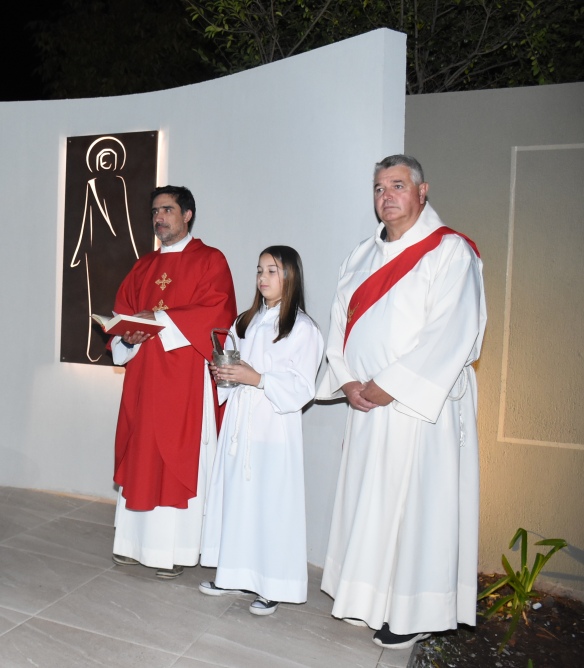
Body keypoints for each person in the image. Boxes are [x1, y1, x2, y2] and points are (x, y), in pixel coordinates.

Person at [317, 155, 486, 649]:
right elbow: (339, 325)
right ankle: (368, 598)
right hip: (368, 404)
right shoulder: (361, 256)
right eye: (377, 188)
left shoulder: (450, 251)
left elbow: (454, 329)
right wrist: (347, 380)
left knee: (417, 510)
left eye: (397, 185)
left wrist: (392, 384)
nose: (385, 196)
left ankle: (415, 613)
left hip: (418, 407)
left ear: (422, 191)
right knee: (370, 504)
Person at [110, 185, 237, 578]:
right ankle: (133, 542)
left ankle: (177, 550)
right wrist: (125, 336)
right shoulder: (143, 266)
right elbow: (124, 315)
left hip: (185, 379)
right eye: (154, 212)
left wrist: (158, 320)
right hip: (145, 378)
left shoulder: (209, 260)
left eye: (167, 210)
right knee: (142, 453)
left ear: (188, 215)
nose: (159, 218)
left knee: (178, 457)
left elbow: (217, 312)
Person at [199, 246, 323, 615]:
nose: (263, 278)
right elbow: (235, 372)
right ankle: (232, 574)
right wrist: (224, 376)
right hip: (241, 424)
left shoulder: (303, 328)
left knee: (270, 504)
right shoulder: (245, 322)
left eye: (272, 270)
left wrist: (257, 378)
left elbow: (302, 386)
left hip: (273, 426)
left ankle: (272, 585)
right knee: (237, 499)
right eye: (259, 271)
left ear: (290, 277)